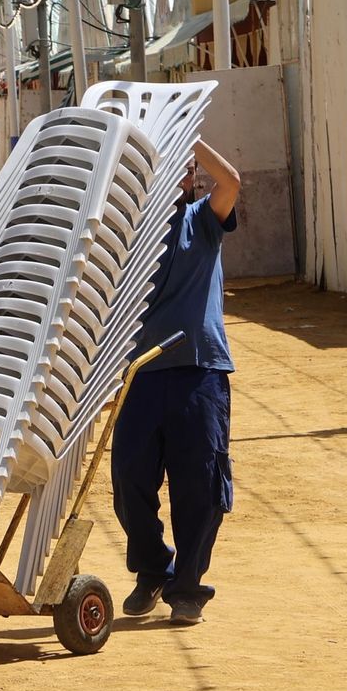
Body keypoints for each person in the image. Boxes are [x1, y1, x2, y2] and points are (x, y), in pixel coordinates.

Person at [111, 139, 241, 626]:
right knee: (129, 479)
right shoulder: (128, 232)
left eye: (191, 170)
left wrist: (190, 138)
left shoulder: (203, 222)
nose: (192, 176)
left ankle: (187, 586)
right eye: (182, 170)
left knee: (200, 486)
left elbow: (231, 182)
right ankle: (152, 570)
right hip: (139, 373)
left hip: (199, 371)